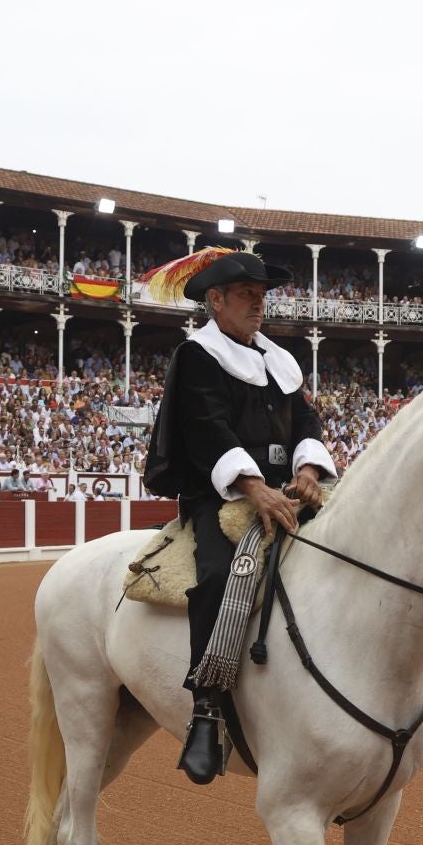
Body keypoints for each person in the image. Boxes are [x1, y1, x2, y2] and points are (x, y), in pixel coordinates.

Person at [140, 248, 335, 786]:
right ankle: (206, 707)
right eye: (246, 294)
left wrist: (309, 471)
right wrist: (254, 489)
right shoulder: (198, 355)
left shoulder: (278, 358)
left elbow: (306, 422)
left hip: (284, 490)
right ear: (216, 300)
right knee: (220, 575)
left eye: (262, 294)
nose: (258, 303)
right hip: (219, 495)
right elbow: (208, 429)